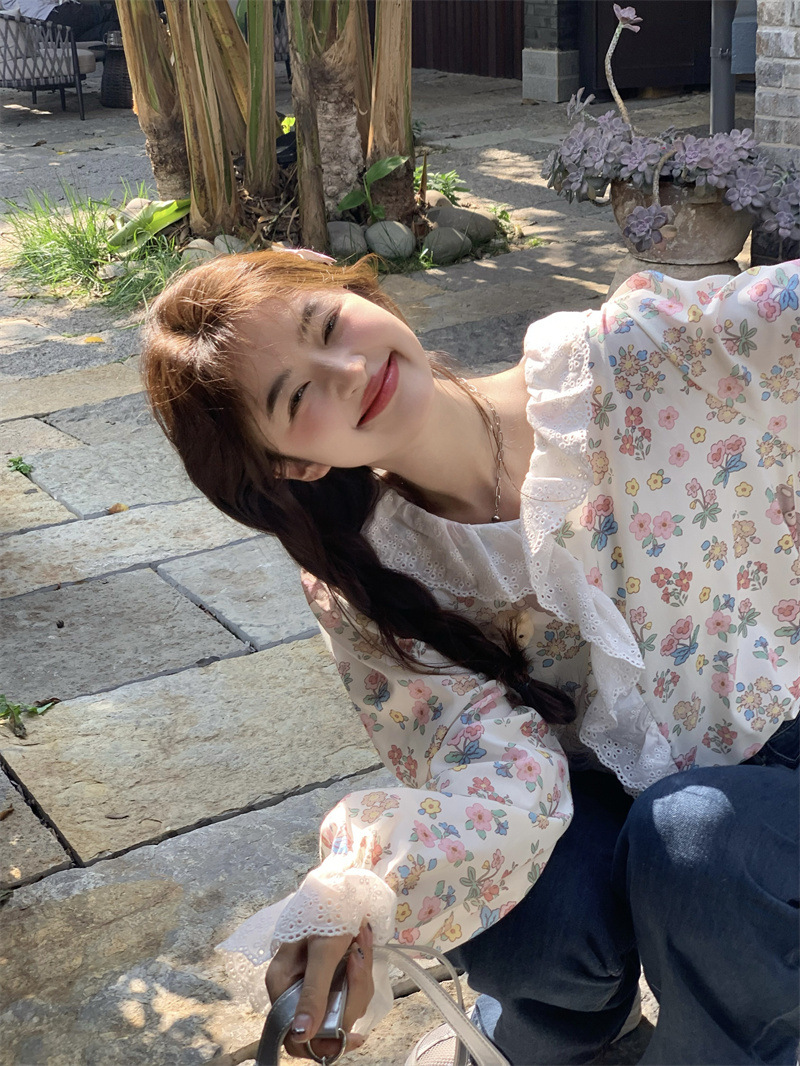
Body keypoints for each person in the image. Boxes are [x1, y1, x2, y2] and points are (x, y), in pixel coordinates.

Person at [141, 249, 799, 1066]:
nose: (348, 371)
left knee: (695, 842)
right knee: (529, 922)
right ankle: (568, 1048)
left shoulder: (635, 354)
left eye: (329, 325)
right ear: (293, 466)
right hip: (598, 788)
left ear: (363, 294)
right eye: (298, 396)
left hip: (780, 738)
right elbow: (481, 762)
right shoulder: (372, 572)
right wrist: (358, 890)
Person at [0, 0, 119, 42]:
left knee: (110, 30)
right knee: (111, 12)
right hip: (52, 17)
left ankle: (115, 82)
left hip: (48, 33)